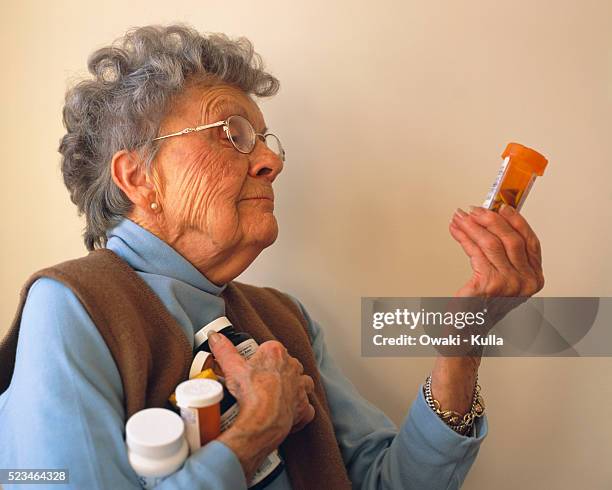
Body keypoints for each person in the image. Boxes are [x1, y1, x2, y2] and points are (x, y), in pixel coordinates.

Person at [0, 24, 544, 489]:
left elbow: (388, 481)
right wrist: (257, 428)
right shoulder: (72, 305)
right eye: (232, 134)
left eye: (265, 140)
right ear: (139, 177)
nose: (270, 162)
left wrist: (462, 347)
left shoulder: (287, 318)